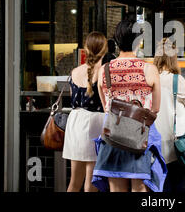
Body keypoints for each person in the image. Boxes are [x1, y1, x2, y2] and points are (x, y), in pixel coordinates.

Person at [93, 19, 162, 192]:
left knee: (115, 187)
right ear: (139, 42)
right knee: (139, 187)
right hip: (139, 136)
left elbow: (106, 108)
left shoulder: (105, 70)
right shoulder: (149, 69)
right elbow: (155, 109)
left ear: (116, 41)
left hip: (112, 135)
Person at [62, 31, 108, 192]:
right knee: (91, 182)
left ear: (86, 49)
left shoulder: (74, 71)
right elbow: (107, 103)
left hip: (75, 122)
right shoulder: (104, 72)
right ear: (105, 49)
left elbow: (71, 98)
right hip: (95, 122)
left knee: (74, 181)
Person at [153, 38, 185, 193]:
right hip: (176, 139)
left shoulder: (151, 79)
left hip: (155, 140)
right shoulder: (176, 79)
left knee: (160, 181)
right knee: (177, 181)